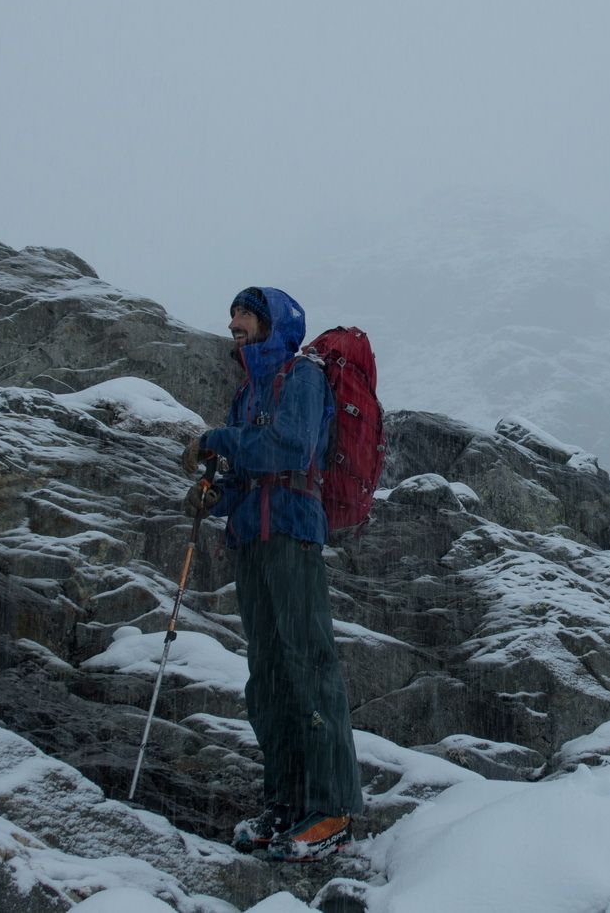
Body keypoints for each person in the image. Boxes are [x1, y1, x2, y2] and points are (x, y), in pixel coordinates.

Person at [181, 286, 363, 861]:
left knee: (309, 666)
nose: (234, 323)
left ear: (272, 323)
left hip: (292, 532)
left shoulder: (301, 377)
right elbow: (246, 472)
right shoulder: (247, 393)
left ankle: (332, 807)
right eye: (232, 314)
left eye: (245, 314)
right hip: (251, 541)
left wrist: (218, 440)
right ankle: (285, 803)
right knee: (268, 677)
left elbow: (289, 447)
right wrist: (215, 495)